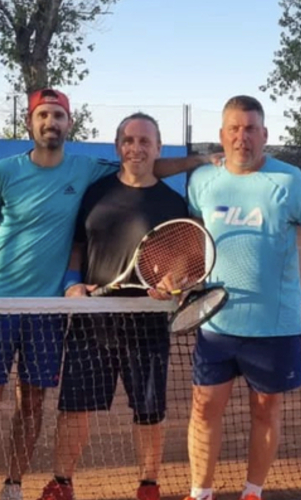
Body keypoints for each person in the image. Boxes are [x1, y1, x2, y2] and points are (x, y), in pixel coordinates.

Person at [0, 89, 217, 500]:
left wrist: (198, 160)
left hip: (96, 318)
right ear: (30, 122)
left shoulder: (127, 185)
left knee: (41, 403)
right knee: (0, 401)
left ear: (68, 123)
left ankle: (18, 486)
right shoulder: (36, 175)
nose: (51, 122)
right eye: (43, 115)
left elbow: (175, 226)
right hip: (29, 308)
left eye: (58, 115)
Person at [36, 112, 188, 500]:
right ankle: (61, 482)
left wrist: (172, 284)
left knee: (149, 412)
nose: (136, 148)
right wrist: (72, 286)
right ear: (119, 146)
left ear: (158, 147)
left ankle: (149, 485)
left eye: (144, 141)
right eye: (128, 140)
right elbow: (77, 247)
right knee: (74, 408)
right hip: (92, 321)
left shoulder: (173, 203)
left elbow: (181, 258)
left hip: (147, 324)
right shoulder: (95, 192)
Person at [184, 95, 301, 500]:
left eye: (250, 129)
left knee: (265, 410)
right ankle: (201, 493)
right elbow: (194, 236)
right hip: (215, 323)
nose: (242, 137)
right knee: (203, 408)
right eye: (234, 128)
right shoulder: (202, 182)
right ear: (222, 135)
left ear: (264, 134)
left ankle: (252, 492)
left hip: (274, 325)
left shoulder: (289, 181)